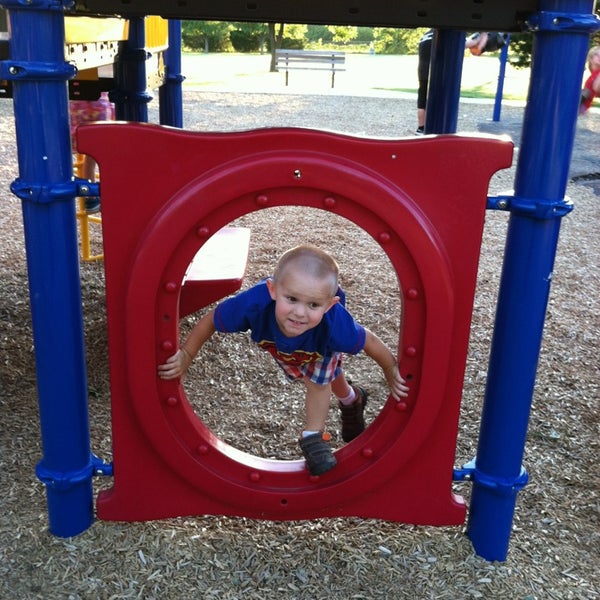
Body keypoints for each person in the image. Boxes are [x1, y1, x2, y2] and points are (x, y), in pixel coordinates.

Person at [158, 245, 409, 476]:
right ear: (273, 290)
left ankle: (313, 439)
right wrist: (187, 355)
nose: (300, 312)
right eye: (292, 299)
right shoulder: (254, 305)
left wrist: (390, 368)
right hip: (289, 350)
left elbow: (370, 341)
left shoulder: (335, 324)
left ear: (330, 305)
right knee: (328, 375)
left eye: (313, 304)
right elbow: (213, 320)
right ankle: (352, 399)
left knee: (318, 381)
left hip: (321, 346)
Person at [416, 30, 507, 134]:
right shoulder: (454, 33)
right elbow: (474, 49)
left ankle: (421, 128)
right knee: (443, 92)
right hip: (436, 53)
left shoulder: (433, 32)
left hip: (424, 60)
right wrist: (481, 39)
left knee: (423, 91)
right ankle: (437, 129)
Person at [69, 91, 114, 213]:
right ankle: (100, 195)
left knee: (91, 157)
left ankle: (91, 198)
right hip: (97, 109)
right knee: (98, 155)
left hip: (77, 109)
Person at [580, 45, 600, 115]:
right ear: (591, 59)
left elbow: (595, 88)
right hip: (583, 102)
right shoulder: (589, 72)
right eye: (597, 55)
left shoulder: (598, 72)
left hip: (583, 104)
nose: (599, 56)